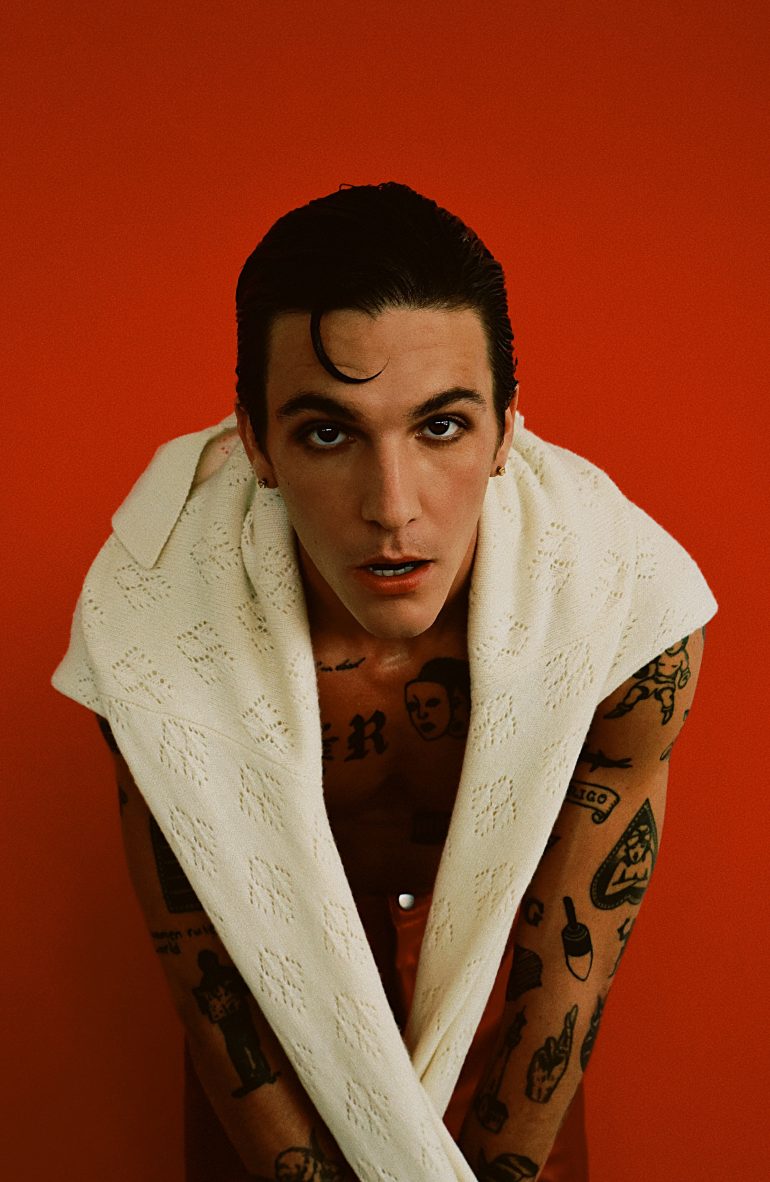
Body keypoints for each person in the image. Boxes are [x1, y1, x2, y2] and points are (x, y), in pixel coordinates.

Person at [52, 182, 716, 1182]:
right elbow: (212, 965)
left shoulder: (624, 615)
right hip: (278, 1012)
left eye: (441, 427)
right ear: (255, 442)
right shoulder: (155, 624)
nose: (391, 507)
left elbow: (564, 974)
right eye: (328, 433)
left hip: (501, 1006)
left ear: (506, 431)